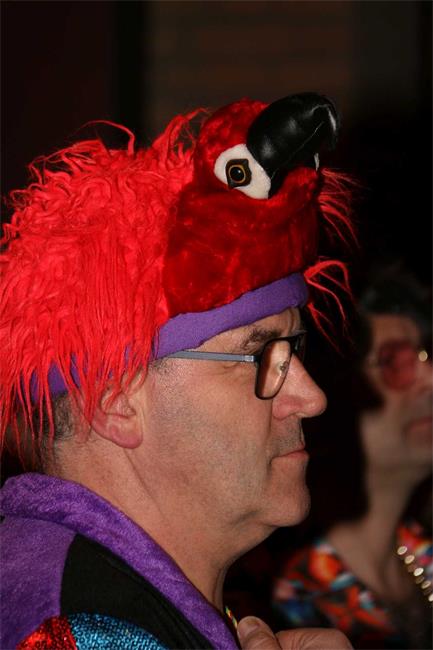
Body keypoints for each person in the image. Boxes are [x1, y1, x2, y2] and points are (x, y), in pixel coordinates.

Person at [1, 93, 354, 649]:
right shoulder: (78, 630)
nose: (311, 398)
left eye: (295, 351)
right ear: (116, 403)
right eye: (261, 355)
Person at [273, 265, 432, 649]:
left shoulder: (421, 553)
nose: (430, 379)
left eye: (427, 355)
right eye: (395, 363)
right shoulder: (296, 604)